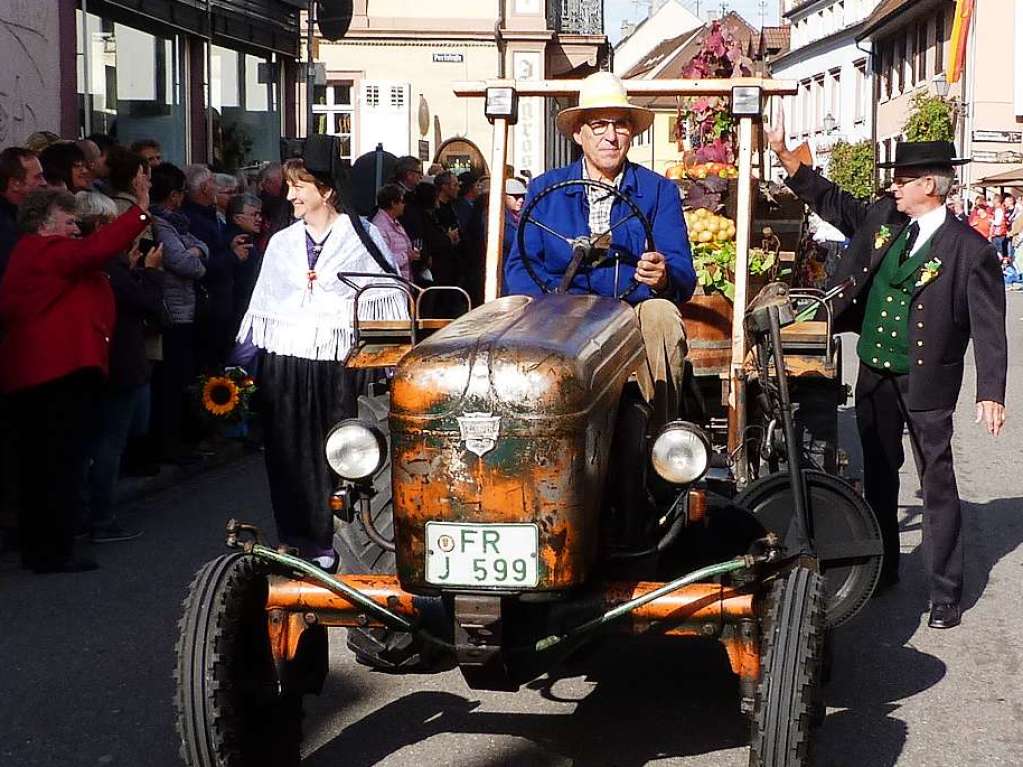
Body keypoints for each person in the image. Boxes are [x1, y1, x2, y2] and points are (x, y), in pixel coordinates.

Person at [767, 113, 1007, 630]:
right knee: (877, 473)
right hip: (875, 373)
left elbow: (989, 329)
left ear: (929, 185)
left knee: (937, 484)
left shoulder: (971, 250)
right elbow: (835, 203)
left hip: (926, 381)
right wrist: (790, 161)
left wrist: (992, 390)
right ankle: (885, 568)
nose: (892, 187)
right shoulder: (884, 219)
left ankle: (946, 591)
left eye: (901, 180)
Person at [233, 141, 408, 570]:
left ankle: (346, 541)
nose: (291, 195)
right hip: (287, 365)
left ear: (326, 191)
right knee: (290, 454)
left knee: (344, 452)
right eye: (290, 187)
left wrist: (391, 364)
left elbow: (390, 297)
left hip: (341, 366)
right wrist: (238, 366)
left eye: (300, 186)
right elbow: (263, 308)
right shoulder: (282, 244)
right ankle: (299, 541)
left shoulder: (362, 238)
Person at [504, 71, 696, 428]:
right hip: (559, 318)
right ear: (579, 134)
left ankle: (658, 444)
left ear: (632, 133)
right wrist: (556, 304)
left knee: (662, 317)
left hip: (630, 316)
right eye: (598, 125)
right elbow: (518, 271)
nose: (610, 136)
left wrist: (663, 275)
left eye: (620, 125)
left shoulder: (658, 192)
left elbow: (683, 272)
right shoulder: (546, 191)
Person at [0, 180, 152, 572]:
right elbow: (97, 250)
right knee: (58, 465)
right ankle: (54, 550)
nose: (75, 229)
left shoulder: (39, 254)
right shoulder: (43, 250)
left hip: (48, 372)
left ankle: (47, 548)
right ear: (44, 223)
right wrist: (139, 210)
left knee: (47, 466)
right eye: (69, 221)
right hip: (54, 373)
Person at [76, 190, 164, 543]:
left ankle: (89, 513)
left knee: (95, 443)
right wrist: (150, 273)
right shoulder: (104, 264)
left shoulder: (101, 265)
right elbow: (145, 303)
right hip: (119, 363)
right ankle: (101, 517)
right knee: (108, 444)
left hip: (101, 363)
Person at [149, 163, 209, 462]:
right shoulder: (160, 224)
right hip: (173, 311)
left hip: (184, 308)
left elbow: (199, 246)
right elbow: (188, 263)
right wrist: (196, 254)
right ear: (173, 196)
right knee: (171, 382)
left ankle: (178, 441)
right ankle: (169, 446)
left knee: (182, 377)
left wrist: (196, 250)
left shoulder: (177, 224)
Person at [0, 146, 46, 280]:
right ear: (15, 184)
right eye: (38, 177)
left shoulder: (24, 215)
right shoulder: (5, 227)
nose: (44, 182)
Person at [224, 192, 264, 336]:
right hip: (237, 309)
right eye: (254, 215)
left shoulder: (247, 240)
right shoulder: (240, 242)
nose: (259, 219)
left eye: (260, 215)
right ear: (237, 218)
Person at [371, 182, 417, 281]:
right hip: (391, 284)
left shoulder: (395, 222)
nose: (404, 205)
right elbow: (383, 258)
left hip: (402, 281)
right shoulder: (379, 226)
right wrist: (407, 256)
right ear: (393, 203)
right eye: (402, 201)